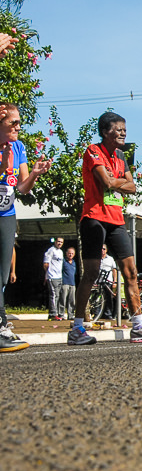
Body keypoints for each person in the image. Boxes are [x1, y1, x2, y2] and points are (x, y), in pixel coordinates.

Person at [68, 111, 142, 343]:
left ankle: (139, 325)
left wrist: (117, 181)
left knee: (130, 271)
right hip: (94, 217)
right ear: (104, 132)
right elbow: (107, 182)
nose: (123, 132)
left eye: (124, 129)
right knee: (90, 273)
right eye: (118, 129)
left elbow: (132, 187)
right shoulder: (93, 151)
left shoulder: (121, 155)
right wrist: (119, 182)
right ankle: (77, 328)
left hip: (116, 218)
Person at [0, 103, 51, 350]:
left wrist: (34, 174)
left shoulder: (18, 147)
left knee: (2, 274)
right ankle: (1, 325)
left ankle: (1, 326)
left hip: (7, 213)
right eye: (13, 123)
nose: (19, 127)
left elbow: (22, 188)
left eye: (19, 122)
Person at [43, 237, 64, 319]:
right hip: (52, 276)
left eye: (61, 242)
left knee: (58, 295)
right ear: (55, 242)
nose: (59, 243)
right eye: (58, 241)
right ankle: (52, 314)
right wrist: (47, 274)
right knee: (53, 295)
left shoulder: (61, 252)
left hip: (59, 276)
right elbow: (45, 263)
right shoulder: (51, 250)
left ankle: (57, 313)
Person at [58, 245, 77, 320]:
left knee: (72, 301)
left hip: (72, 283)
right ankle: (61, 314)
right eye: (69, 253)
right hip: (64, 283)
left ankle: (71, 315)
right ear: (66, 253)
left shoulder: (74, 263)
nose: (70, 255)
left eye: (72, 254)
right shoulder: (63, 261)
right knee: (63, 299)